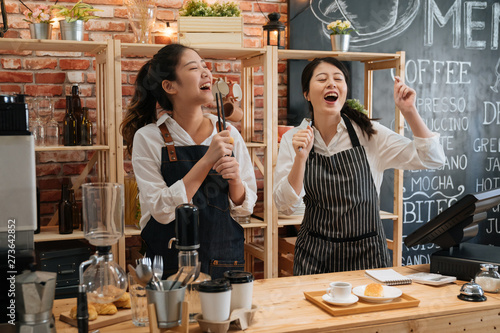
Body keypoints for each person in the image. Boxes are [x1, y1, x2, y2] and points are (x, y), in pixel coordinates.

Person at [273, 57, 445, 275]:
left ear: (345, 90)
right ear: (306, 93)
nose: (332, 83)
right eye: (322, 79)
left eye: (338, 78)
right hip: (314, 257)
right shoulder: (292, 139)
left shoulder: (370, 134)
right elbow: (284, 206)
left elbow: (433, 158)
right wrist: (300, 159)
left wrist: (409, 111)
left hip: (367, 257)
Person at [120, 44, 257, 279]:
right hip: (169, 269)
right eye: (194, 68)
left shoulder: (229, 132)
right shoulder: (149, 137)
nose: (206, 73)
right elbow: (162, 210)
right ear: (169, 86)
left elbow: (245, 207)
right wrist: (207, 160)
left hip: (224, 263)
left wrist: (235, 181)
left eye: (205, 66)